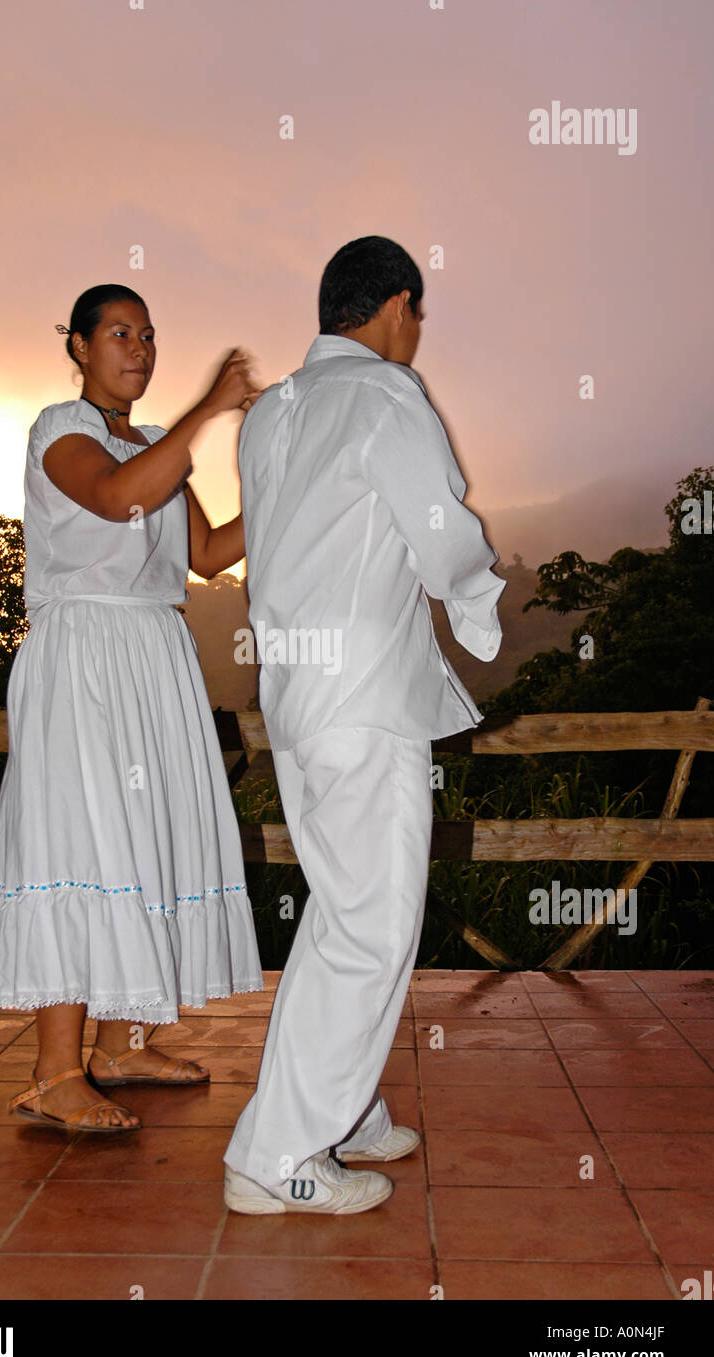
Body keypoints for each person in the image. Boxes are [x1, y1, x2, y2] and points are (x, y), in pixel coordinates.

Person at [223, 236, 505, 1212]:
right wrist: (478, 600)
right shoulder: (386, 397)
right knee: (374, 924)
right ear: (394, 306)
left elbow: (272, 547)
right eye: (415, 315)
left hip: (295, 698)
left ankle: (337, 1111)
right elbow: (442, 533)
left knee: (346, 911)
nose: (416, 334)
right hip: (362, 701)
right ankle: (279, 1154)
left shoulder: (269, 417)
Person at [0, 283, 264, 1132]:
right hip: (82, 656)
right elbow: (115, 499)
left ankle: (121, 1046)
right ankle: (54, 1073)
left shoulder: (160, 444)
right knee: (82, 835)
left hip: (153, 656)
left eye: (148, 335)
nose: (138, 349)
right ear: (80, 348)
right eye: (119, 334)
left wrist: (293, 498)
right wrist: (211, 408)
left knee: (147, 836)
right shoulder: (61, 430)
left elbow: (205, 555)